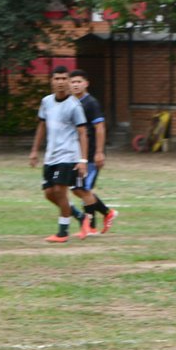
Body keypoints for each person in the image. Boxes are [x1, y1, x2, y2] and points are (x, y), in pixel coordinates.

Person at [30, 66, 88, 243]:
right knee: (49, 193)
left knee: (59, 191)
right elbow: (41, 126)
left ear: (68, 81)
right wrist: (34, 150)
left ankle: (63, 232)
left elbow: (82, 133)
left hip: (68, 156)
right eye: (57, 78)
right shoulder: (46, 102)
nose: (61, 82)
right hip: (51, 156)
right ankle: (80, 216)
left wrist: (83, 160)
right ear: (52, 81)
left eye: (64, 78)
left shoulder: (74, 105)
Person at [68, 69, 118, 237]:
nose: (75, 85)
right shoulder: (72, 103)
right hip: (77, 154)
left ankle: (91, 227)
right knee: (78, 189)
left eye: (79, 82)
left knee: (83, 189)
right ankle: (106, 213)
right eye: (73, 82)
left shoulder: (91, 103)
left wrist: (99, 152)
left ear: (86, 84)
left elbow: (100, 128)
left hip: (90, 154)